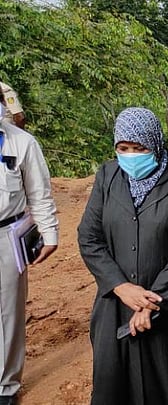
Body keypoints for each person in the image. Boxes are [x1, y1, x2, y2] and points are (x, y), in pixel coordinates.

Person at [77, 107, 168, 404]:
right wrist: (121, 287)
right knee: (117, 386)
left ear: (155, 143)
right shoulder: (107, 176)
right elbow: (89, 237)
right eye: (123, 148)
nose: (130, 156)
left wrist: (152, 301)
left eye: (139, 148)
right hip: (118, 303)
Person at [0, 96, 58, 405]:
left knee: (8, 311)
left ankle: (5, 386)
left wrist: (49, 234)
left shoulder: (22, 142)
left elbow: (40, 192)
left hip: (6, 234)